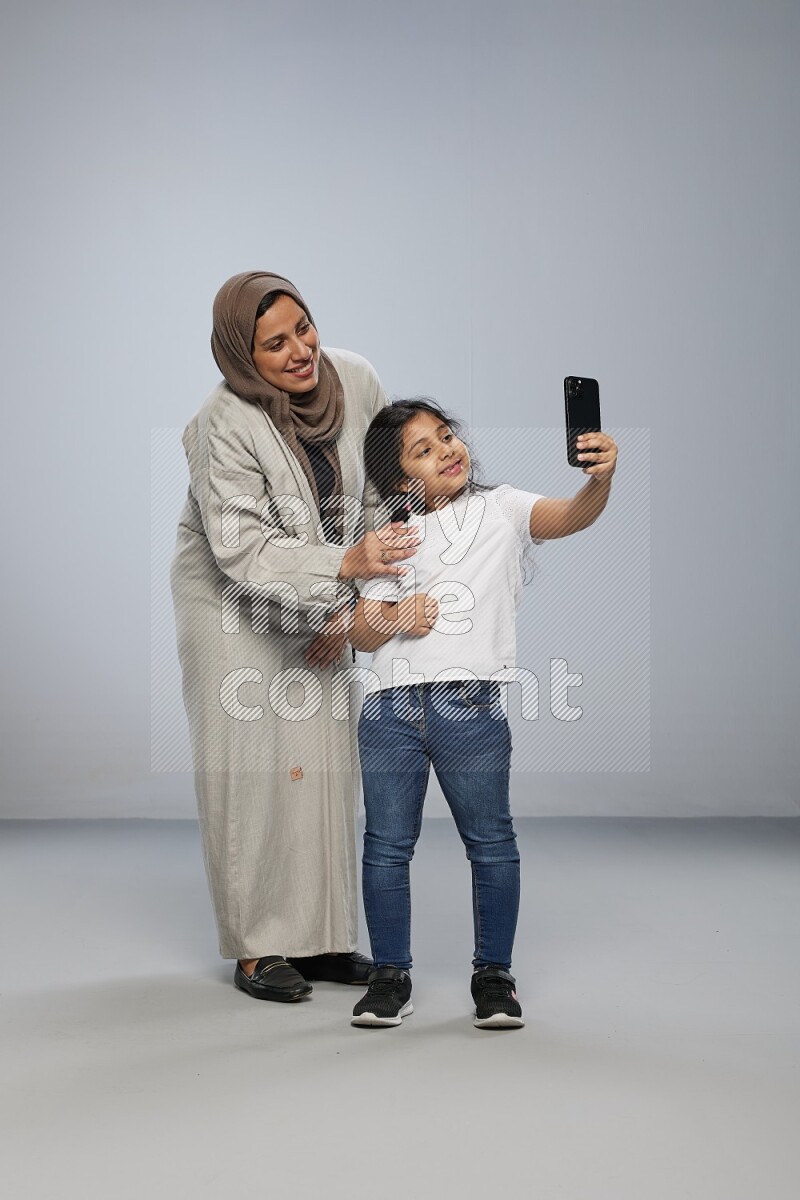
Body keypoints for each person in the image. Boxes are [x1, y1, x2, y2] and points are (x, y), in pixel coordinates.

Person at [170, 272, 418, 1003]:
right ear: (241, 355)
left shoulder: (357, 379)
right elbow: (242, 547)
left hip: (326, 584)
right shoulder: (220, 424)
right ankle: (256, 948)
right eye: (273, 344)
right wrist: (343, 567)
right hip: (228, 596)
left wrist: (352, 604)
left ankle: (320, 941)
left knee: (322, 757)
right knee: (252, 765)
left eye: (302, 328)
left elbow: (383, 492)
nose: (299, 351)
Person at [347, 398, 618, 1028]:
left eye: (446, 436)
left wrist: (599, 480)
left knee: (491, 843)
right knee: (386, 846)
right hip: (389, 709)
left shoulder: (502, 508)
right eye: (424, 449)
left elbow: (574, 516)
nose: (447, 450)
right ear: (397, 479)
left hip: (469, 705)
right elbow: (361, 632)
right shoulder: (392, 535)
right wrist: (395, 615)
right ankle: (391, 975)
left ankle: (494, 975)